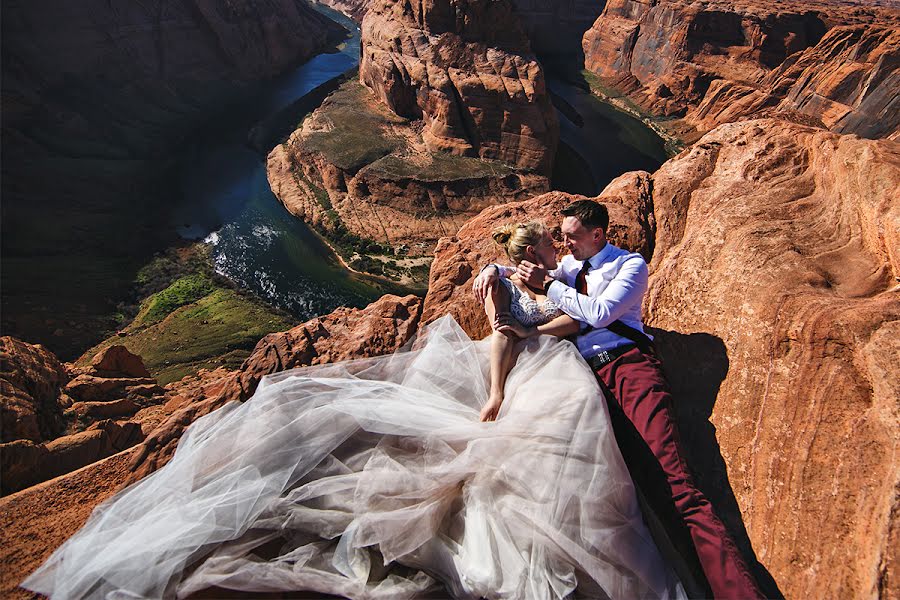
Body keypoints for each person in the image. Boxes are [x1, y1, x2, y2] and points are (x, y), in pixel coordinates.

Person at [22, 224, 685, 600]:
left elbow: (568, 317)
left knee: (530, 473)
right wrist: (504, 293)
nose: (543, 254)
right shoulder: (526, 276)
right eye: (537, 248)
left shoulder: (577, 270)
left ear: (569, 243)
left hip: (556, 365)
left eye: (551, 246)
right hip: (527, 363)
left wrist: (549, 294)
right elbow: (507, 322)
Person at [473, 200, 764, 600]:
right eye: (561, 236)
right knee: (604, 494)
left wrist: (551, 285)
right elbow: (522, 269)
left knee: (677, 485)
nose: (564, 244)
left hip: (628, 369)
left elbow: (600, 312)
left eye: (572, 236)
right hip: (581, 383)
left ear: (598, 235)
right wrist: (494, 269)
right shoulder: (571, 266)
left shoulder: (629, 265)